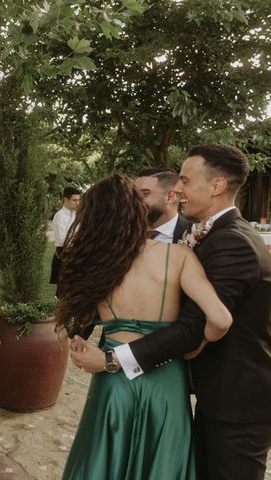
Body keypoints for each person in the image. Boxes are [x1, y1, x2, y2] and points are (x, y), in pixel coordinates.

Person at [73, 145, 271, 479]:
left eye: (185, 180)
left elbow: (194, 326)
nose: (176, 190)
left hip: (239, 403)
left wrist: (110, 360)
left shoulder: (232, 241)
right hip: (214, 393)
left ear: (217, 186)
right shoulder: (211, 237)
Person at [59, 175, 232, 479]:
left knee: (105, 464)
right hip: (166, 382)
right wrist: (199, 344)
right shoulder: (179, 256)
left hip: (113, 382)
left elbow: (81, 320)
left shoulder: (96, 265)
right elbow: (220, 319)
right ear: (137, 210)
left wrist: (79, 339)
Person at [135, 169, 191, 243]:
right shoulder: (124, 232)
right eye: (134, 194)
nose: (135, 200)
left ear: (169, 197)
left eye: (145, 194)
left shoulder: (194, 234)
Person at [50, 186, 80, 298]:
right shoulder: (59, 216)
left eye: (78, 200)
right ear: (65, 200)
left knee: (75, 289)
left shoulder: (76, 215)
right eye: (74, 200)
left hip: (76, 253)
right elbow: (64, 240)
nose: (78, 203)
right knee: (63, 291)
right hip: (63, 254)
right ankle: (61, 314)